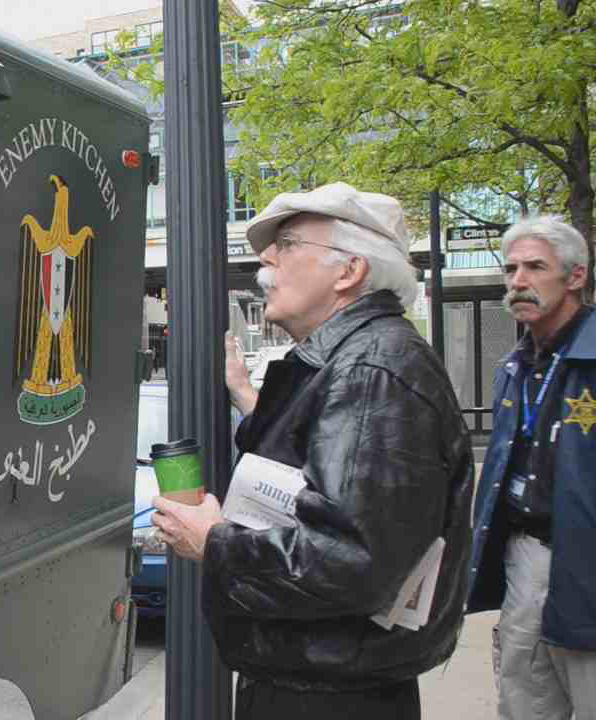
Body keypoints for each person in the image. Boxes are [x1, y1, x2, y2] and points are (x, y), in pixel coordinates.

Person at [151, 182, 473, 719]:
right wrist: (250, 402)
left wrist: (215, 541)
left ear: (349, 272)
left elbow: (350, 563)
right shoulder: (363, 358)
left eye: (289, 243)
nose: (265, 259)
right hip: (321, 682)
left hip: (327, 696)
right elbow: (324, 471)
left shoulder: (372, 371)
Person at [466, 215, 596, 720]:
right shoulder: (513, 367)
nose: (518, 280)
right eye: (511, 268)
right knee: (524, 703)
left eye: (536, 267)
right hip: (526, 560)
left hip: (586, 567)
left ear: (576, 276)